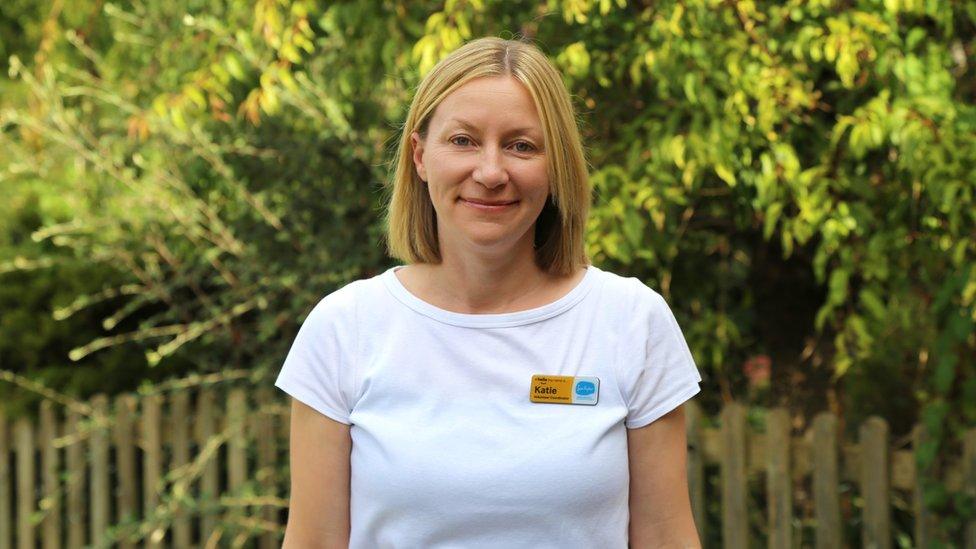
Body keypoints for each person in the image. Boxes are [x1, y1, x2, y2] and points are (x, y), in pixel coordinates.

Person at [275, 35, 703, 548]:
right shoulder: (344, 328)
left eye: (522, 146)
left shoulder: (631, 321)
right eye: (463, 141)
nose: (491, 172)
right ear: (419, 156)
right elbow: (314, 542)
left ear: (556, 166)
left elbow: (664, 537)